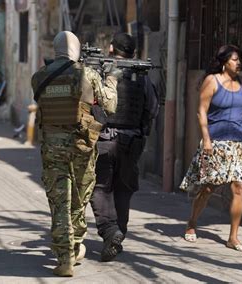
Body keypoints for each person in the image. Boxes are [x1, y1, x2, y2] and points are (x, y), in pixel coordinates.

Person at [31, 31, 119, 277]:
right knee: (79, 198)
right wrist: (112, 79)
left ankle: (65, 256)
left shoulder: (39, 77)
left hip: (52, 146)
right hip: (81, 145)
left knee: (59, 201)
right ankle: (76, 243)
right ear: (77, 51)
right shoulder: (87, 74)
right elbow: (110, 106)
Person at [180, 44, 242, 253]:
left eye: (240, 59)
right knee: (208, 188)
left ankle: (233, 237)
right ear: (224, 62)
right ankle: (192, 223)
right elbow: (202, 112)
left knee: (239, 188)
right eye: (234, 59)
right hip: (217, 143)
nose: (238, 62)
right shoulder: (211, 81)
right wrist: (206, 139)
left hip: (239, 144)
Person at [89, 33, 159, 262]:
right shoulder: (142, 77)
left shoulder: (100, 71)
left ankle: (110, 232)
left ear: (110, 48)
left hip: (103, 140)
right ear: (134, 53)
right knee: (123, 190)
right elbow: (152, 109)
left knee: (99, 188)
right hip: (132, 142)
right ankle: (118, 234)